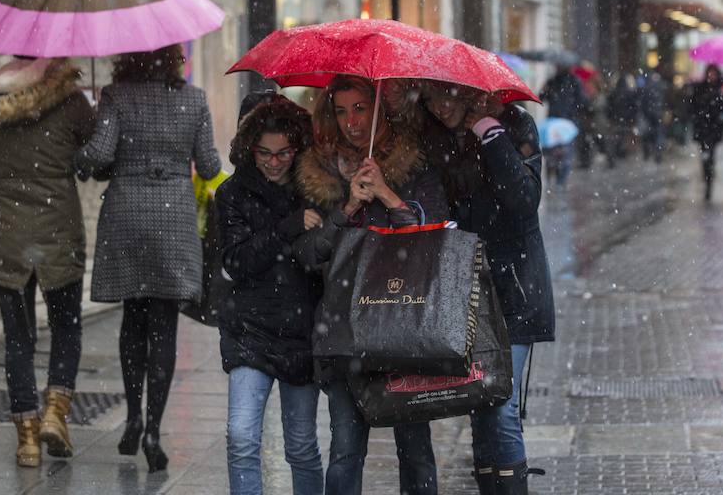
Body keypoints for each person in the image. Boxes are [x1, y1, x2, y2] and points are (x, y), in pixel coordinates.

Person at [295, 75, 447, 495]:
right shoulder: (320, 171)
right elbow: (309, 254)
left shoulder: (412, 164)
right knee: (345, 449)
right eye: (341, 111)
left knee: (415, 449)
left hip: (401, 326)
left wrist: (387, 193)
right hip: (345, 331)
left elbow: (432, 237)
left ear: (379, 107)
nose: (351, 122)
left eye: (360, 108)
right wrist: (348, 207)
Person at [75, 44, 221, 472]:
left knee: (132, 319)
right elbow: (210, 164)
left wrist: (83, 157)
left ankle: (133, 417)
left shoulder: (116, 96)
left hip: (127, 216)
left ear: (129, 55)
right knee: (164, 324)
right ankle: (155, 427)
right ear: (175, 56)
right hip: (173, 219)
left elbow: (100, 155)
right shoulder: (193, 99)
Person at [0, 57, 94, 467]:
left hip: (6, 234)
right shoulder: (70, 99)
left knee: (18, 338)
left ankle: (27, 437)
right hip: (57, 232)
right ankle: (55, 413)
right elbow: (96, 152)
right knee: (66, 326)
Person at [421, 86, 554, 495]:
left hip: (514, 288)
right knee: (478, 403)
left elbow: (524, 198)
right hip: (466, 290)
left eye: (450, 97)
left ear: (474, 96)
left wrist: (488, 131)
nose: (441, 106)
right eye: (433, 98)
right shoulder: (435, 136)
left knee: (499, 404)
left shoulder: (513, 126)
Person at [214, 97, 323, 495]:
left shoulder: (314, 189)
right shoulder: (232, 195)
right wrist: (287, 229)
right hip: (248, 330)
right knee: (241, 439)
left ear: (296, 149)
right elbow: (237, 261)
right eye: (265, 153)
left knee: (301, 446)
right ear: (250, 149)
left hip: (301, 332)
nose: (274, 162)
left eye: (283, 153)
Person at [689, 65, 723, 201]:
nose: (711, 76)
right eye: (709, 74)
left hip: (714, 128)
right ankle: (707, 177)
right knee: (705, 155)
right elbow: (692, 106)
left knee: (710, 155)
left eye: (714, 74)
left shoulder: (722, 89)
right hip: (702, 127)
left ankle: (709, 181)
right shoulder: (699, 88)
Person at [539, 66, 586, 182]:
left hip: (554, 120)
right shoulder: (574, 81)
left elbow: (541, 97)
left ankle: (552, 177)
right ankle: (560, 180)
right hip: (567, 121)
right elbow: (582, 102)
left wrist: (545, 90)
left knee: (551, 150)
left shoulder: (552, 81)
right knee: (565, 152)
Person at [606, 73, 640, 167]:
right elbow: (634, 108)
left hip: (616, 120)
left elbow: (609, 108)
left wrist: (610, 117)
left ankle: (615, 156)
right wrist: (633, 119)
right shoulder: (630, 93)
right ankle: (621, 152)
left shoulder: (614, 93)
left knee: (616, 138)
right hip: (626, 120)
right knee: (624, 137)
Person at [640, 71, 668, 163]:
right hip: (657, 114)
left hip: (650, 114)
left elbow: (643, 102)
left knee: (650, 133)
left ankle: (650, 150)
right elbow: (665, 102)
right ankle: (657, 151)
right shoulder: (661, 87)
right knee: (658, 133)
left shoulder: (647, 87)